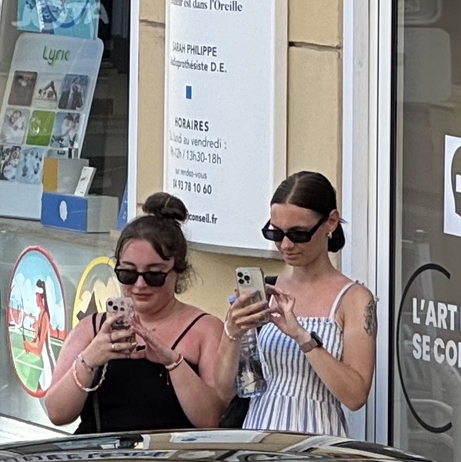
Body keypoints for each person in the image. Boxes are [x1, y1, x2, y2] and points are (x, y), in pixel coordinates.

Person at [41, 194, 232, 433]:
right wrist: (90, 357)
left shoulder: (205, 329)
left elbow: (211, 419)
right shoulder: (93, 328)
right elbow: (57, 413)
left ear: (177, 272)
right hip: (102, 458)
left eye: (154, 275)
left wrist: (172, 362)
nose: (140, 285)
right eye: (128, 274)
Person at [226, 171, 376, 436]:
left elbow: (355, 396)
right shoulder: (268, 290)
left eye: (299, 234)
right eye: (275, 233)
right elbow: (222, 387)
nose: (285, 244)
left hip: (316, 439)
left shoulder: (354, 299)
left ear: (330, 222)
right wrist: (232, 333)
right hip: (258, 433)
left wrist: (302, 337)